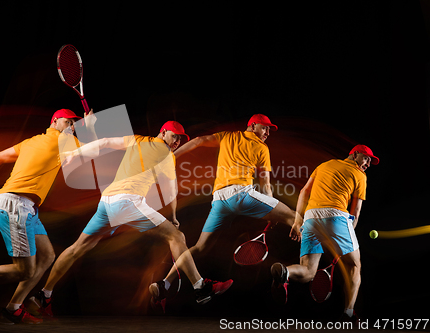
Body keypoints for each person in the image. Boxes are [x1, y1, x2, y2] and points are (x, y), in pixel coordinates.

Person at [30, 120, 233, 317]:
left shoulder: (137, 140)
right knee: (177, 237)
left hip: (107, 202)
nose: (176, 142)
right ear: (163, 133)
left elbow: (105, 142)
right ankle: (200, 287)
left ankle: (44, 295)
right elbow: (171, 190)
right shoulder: (167, 156)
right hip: (127, 202)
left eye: (180, 139)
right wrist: (172, 217)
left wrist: (76, 152)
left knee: (77, 248)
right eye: (174, 136)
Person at [0, 109, 85, 324]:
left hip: (26, 207)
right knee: (24, 270)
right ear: (55, 121)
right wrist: (90, 126)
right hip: (15, 205)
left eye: (74, 122)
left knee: (46, 256)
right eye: (68, 121)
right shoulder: (62, 141)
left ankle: (13, 308)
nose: (71, 125)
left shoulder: (32, 142)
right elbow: (95, 152)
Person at [156, 114, 301, 303]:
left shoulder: (228, 136)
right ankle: (300, 271)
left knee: (199, 247)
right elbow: (265, 186)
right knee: (294, 217)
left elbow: (199, 141)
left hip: (219, 200)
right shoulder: (261, 147)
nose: (267, 133)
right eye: (264, 128)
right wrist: (272, 211)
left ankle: (164, 284)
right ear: (253, 125)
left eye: (269, 130)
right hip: (241, 195)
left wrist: (172, 156)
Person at [270, 144, 379, 321]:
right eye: (366, 158)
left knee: (308, 271)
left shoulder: (324, 165)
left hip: (311, 218)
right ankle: (348, 313)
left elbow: (304, 191)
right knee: (354, 266)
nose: (368, 164)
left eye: (370, 161)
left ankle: (285, 272)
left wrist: (298, 220)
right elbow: (355, 212)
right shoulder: (360, 175)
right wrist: (347, 237)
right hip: (336, 216)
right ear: (355, 154)